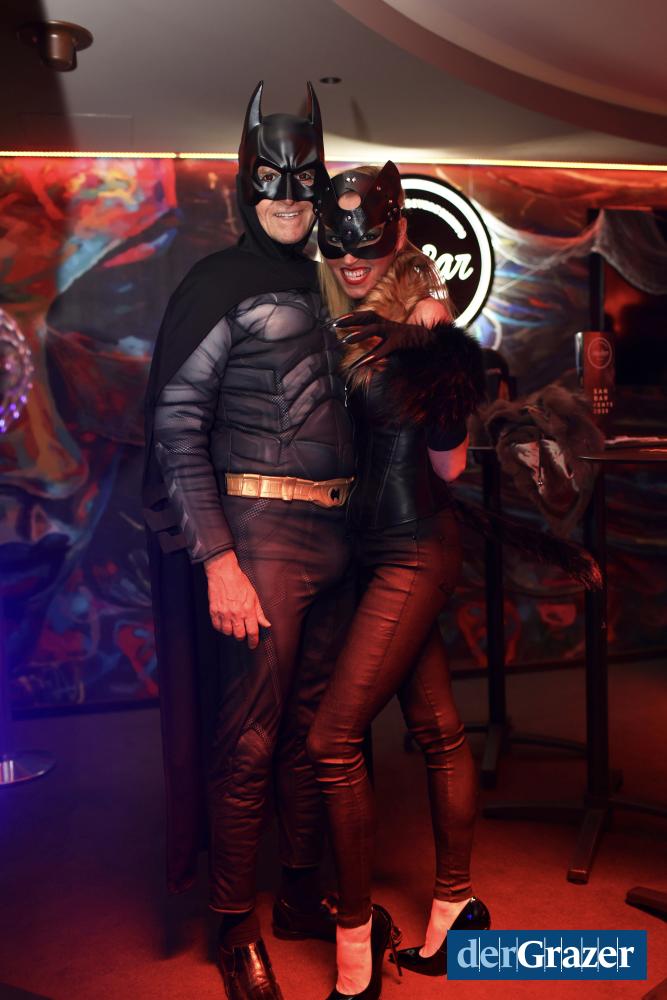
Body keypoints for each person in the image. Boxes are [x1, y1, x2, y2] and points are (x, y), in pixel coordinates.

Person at [143, 82, 356, 1000]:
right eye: (271, 178)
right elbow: (176, 423)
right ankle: (233, 923)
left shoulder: (325, 281)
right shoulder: (217, 282)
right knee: (250, 737)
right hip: (261, 539)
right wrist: (220, 561)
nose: (287, 196)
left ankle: (301, 894)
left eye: (303, 179)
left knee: (317, 732)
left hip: (337, 538)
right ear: (245, 183)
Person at [307, 162, 490, 1000]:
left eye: (368, 245)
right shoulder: (335, 317)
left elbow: (449, 466)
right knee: (437, 729)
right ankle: (456, 909)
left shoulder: (426, 323)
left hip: (414, 549)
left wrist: (434, 361)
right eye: (339, 247)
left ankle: (355, 945)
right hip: (372, 552)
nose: (352, 260)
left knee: (331, 740)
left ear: (400, 236)